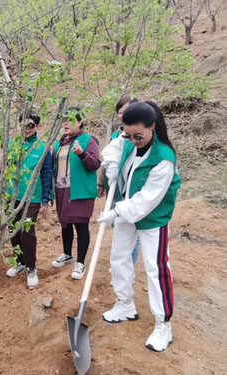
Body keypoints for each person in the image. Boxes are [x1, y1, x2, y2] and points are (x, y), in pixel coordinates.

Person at [98, 101, 181, 352]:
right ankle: (125, 304)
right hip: (126, 209)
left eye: (138, 136)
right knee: (118, 258)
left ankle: (163, 324)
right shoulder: (126, 139)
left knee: (156, 268)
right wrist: (112, 168)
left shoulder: (164, 159)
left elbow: (146, 201)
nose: (133, 140)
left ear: (153, 127)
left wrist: (117, 211)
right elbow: (113, 150)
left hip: (152, 218)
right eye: (128, 134)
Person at [51, 107, 101, 279]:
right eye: (64, 119)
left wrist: (82, 154)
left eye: (70, 119)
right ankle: (67, 254)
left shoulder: (88, 140)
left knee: (81, 225)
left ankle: (80, 263)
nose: (65, 123)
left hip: (80, 191)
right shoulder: (59, 143)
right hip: (62, 189)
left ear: (80, 122)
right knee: (65, 223)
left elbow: (95, 164)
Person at [5, 112, 52, 288]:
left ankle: (31, 267)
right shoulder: (12, 144)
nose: (27, 129)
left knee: (27, 231)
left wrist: (46, 198)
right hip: (12, 195)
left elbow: (47, 173)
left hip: (32, 196)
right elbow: (6, 169)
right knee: (14, 230)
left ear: (37, 127)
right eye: (24, 125)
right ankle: (20, 262)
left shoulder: (42, 147)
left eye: (31, 125)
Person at [98, 96, 141, 266]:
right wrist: (101, 184)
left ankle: (128, 264)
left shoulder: (141, 136)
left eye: (127, 111)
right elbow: (107, 161)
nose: (123, 115)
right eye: (120, 112)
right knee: (118, 224)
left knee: (131, 227)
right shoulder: (117, 136)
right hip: (115, 188)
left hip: (132, 190)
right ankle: (120, 262)